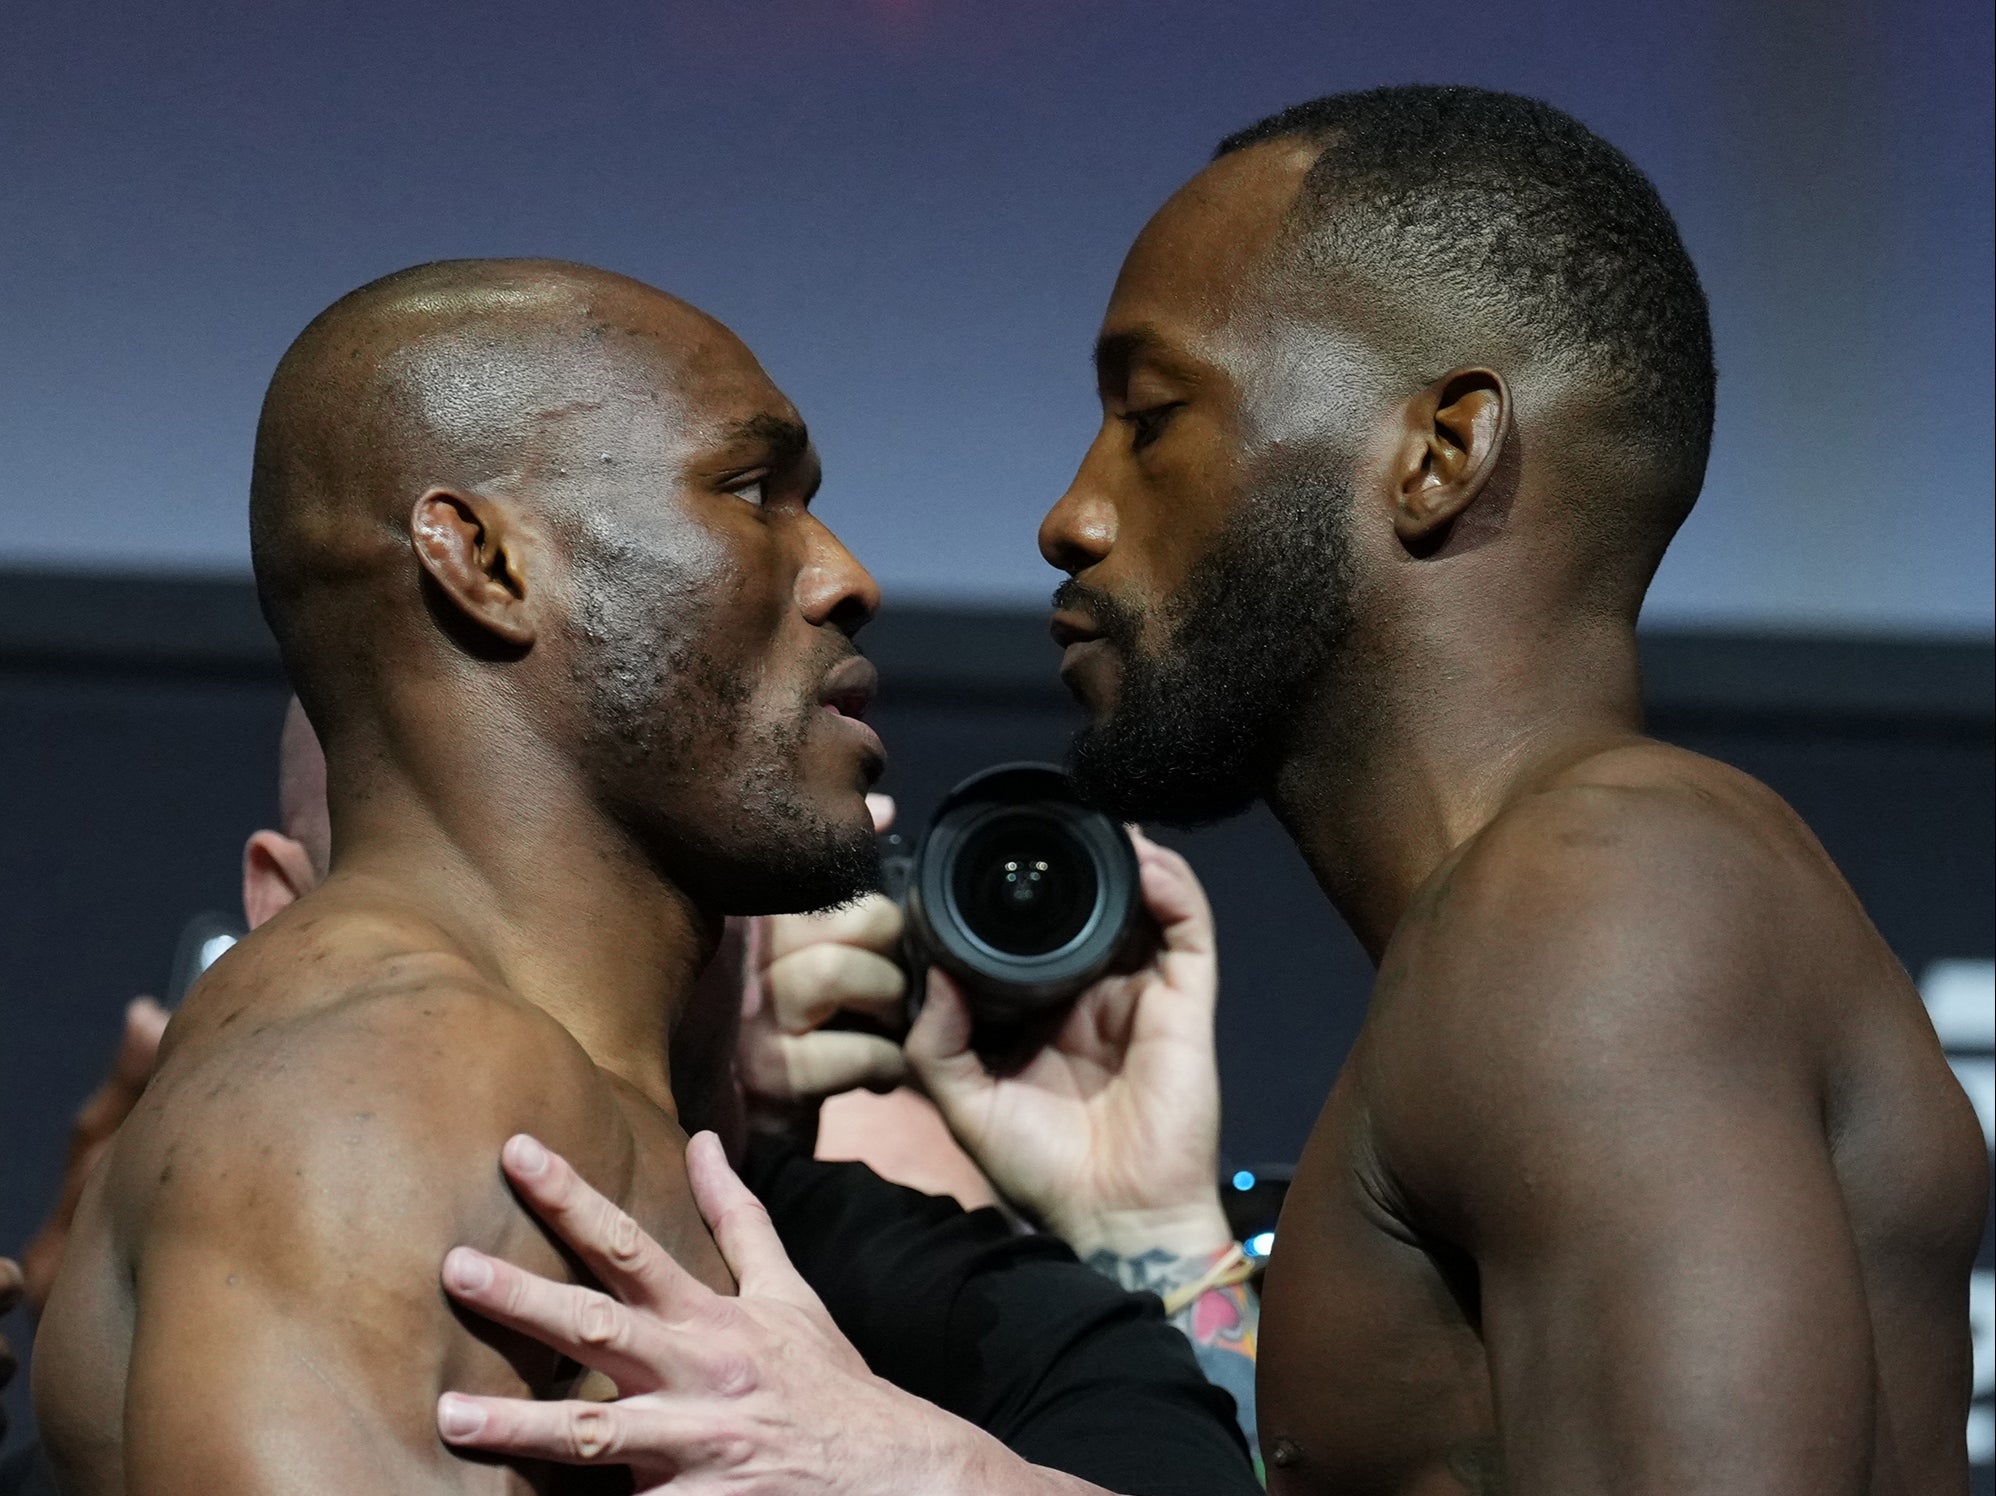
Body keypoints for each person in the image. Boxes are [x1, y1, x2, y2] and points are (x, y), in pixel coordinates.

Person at [427, 86, 1989, 1495]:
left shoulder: (1600, 895)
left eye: (1153, 418)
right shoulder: (1556, 911)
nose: (1069, 515)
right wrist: (1163, 1253)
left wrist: (947, 1485)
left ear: (1439, 452)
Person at [23, 262, 1257, 1495]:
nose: (845, 575)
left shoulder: (530, 1096)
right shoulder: (398, 1087)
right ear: (485, 562)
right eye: (751, 491)